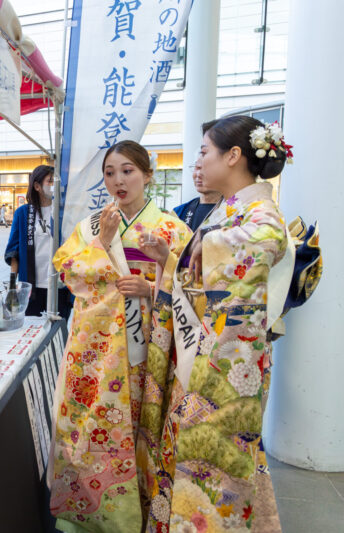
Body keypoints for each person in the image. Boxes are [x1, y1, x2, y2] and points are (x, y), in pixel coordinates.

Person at [140, 116, 292, 532]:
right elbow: (201, 277)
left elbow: (263, 245)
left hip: (227, 364)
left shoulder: (262, 213)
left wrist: (197, 251)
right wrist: (169, 262)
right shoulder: (228, 210)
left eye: (205, 151)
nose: (199, 162)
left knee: (215, 461)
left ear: (234, 155)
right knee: (195, 453)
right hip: (204, 355)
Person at [48, 141, 192, 532]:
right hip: (98, 352)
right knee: (94, 424)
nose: (118, 180)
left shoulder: (172, 228)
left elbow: (193, 285)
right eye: (110, 173)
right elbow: (68, 272)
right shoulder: (91, 226)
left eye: (128, 171)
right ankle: (91, 513)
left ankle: (143, 513)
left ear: (148, 175)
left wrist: (152, 289)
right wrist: (100, 243)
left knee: (144, 424)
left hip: (147, 345)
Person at [4, 165, 72, 318]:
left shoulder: (64, 212)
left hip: (59, 285)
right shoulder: (23, 213)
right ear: (37, 186)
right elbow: (14, 251)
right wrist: (12, 283)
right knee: (31, 331)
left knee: (57, 333)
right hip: (31, 287)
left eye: (56, 181)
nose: (54, 185)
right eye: (50, 181)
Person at [173, 156, 223, 232]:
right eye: (197, 167)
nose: (198, 174)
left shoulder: (235, 211)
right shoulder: (178, 212)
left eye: (206, 168)